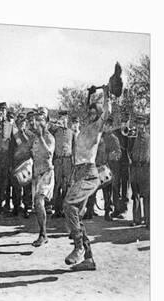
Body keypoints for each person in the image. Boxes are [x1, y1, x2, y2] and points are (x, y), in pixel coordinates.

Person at [63, 85, 112, 271]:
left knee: (68, 206)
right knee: (77, 215)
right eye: (89, 112)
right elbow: (87, 108)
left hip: (90, 173)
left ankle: (79, 247)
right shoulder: (83, 129)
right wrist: (90, 94)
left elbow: (107, 111)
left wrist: (107, 94)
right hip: (79, 173)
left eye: (94, 113)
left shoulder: (97, 128)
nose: (90, 115)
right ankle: (89, 259)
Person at [30, 112, 55, 247]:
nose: (38, 122)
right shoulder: (35, 138)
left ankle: (43, 234)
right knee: (37, 205)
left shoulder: (49, 137)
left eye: (41, 120)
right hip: (36, 175)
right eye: (37, 119)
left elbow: (49, 153)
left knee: (39, 202)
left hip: (47, 173)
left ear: (46, 122)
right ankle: (43, 233)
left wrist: (40, 137)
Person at [50, 110, 75, 218]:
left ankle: (65, 209)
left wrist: (73, 162)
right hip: (58, 160)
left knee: (67, 186)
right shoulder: (55, 131)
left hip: (68, 161)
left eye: (65, 117)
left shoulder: (71, 132)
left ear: (67, 119)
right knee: (57, 185)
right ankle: (56, 209)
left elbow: (74, 147)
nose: (63, 119)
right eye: (61, 117)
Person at [9, 112, 34, 217]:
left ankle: (27, 207)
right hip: (16, 163)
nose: (22, 124)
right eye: (20, 122)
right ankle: (16, 206)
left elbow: (32, 148)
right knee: (16, 187)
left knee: (27, 187)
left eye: (23, 122)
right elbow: (10, 150)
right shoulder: (14, 135)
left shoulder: (30, 135)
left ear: (26, 123)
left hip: (27, 164)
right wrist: (10, 164)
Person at [130, 115, 150, 228]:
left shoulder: (149, 138)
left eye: (141, 124)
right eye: (138, 124)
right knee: (135, 195)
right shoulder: (133, 137)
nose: (139, 126)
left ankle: (148, 221)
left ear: (145, 125)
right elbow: (128, 150)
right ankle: (136, 219)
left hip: (146, 169)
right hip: (135, 168)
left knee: (147, 196)